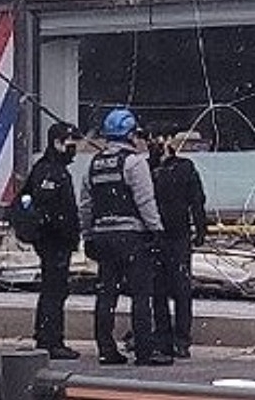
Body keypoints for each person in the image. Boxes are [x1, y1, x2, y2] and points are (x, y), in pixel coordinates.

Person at [80, 108, 173, 367]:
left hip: (103, 236)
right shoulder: (134, 163)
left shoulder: (94, 164)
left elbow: (85, 205)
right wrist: (157, 230)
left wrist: (87, 235)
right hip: (131, 236)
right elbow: (145, 200)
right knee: (141, 294)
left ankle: (106, 348)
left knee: (106, 294)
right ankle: (145, 351)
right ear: (130, 134)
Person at [21, 121, 81, 360]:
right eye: (70, 143)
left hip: (56, 241)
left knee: (55, 290)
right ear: (57, 143)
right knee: (54, 291)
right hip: (53, 241)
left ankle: (49, 337)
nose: (73, 149)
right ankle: (51, 339)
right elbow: (50, 209)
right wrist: (62, 232)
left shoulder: (51, 169)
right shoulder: (50, 171)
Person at [148, 131, 206, 359]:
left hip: (176, 234)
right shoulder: (148, 168)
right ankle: (166, 337)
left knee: (178, 289)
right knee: (161, 290)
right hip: (158, 235)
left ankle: (179, 339)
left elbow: (197, 200)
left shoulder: (183, 167)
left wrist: (200, 228)